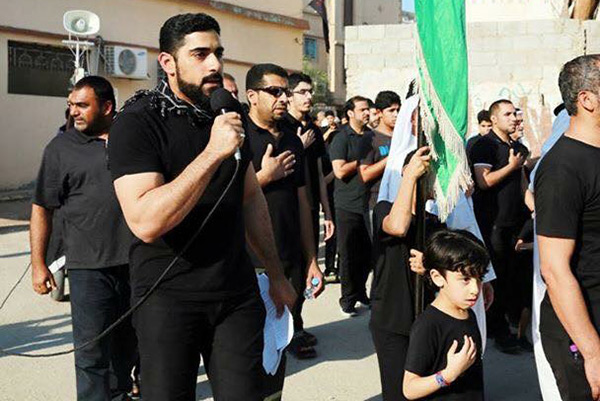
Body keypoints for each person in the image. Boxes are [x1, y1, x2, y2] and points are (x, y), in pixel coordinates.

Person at [107, 14, 296, 401]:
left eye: (218, 53)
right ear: (168, 62)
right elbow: (145, 221)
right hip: (166, 298)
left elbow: (250, 197)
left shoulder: (227, 115)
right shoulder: (138, 122)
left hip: (236, 293)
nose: (215, 64)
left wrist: (276, 275)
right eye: (200, 54)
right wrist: (212, 153)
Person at [30, 76, 138, 401]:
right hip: (88, 269)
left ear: (107, 107)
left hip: (136, 264)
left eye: (82, 105)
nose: (73, 112)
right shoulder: (60, 148)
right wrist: (38, 264)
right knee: (91, 354)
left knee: (126, 350)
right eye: (71, 105)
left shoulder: (131, 140)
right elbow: (42, 208)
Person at [245, 64, 324, 359]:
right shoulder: (238, 136)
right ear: (252, 96)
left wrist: (312, 259)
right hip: (250, 256)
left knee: (281, 336)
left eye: (285, 92)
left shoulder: (292, 139)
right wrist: (264, 177)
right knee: (251, 343)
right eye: (274, 92)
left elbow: (303, 201)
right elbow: (224, 197)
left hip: (289, 251)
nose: (283, 98)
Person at [536, 54, 600, 400]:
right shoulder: (562, 168)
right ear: (587, 99)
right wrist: (592, 352)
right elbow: (554, 269)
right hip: (584, 330)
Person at [370, 143, 431, 401]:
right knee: (397, 393)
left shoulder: (436, 222)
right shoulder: (384, 208)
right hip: (392, 319)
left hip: (426, 321)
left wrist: (431, 267)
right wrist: (410, 177)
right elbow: (398, 226)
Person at [469, 99, 529, 353]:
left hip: (515, 223)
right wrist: (511, 166)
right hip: (493, 223)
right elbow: (484, 181)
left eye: (515, 113)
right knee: (497, 278)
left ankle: (516, 327)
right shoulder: (484, 145)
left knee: (515, 277)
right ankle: (499, 331)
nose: (513, 118)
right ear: (494, 119)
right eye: (507, 114)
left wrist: (534, 208)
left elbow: (522, 184)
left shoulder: (516, 147)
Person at [403, 230, 489, 401]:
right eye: (465, 279)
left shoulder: (468, 313)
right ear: (437, 277)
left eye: (479, 278)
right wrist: (448, 375)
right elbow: (409, 389)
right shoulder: (428, 325)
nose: (475, 289)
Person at [330, 95, 373, 316]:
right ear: (350, 113)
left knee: (368, 253)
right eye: (362, 109)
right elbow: (339, 171)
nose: (367, 113)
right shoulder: (341, 138)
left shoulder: (372, 136)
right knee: (348, 254)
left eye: (368, 109)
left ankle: (361, 292)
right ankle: (347, 299)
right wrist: (362, 161)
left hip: (368, 203)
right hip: (347, 204)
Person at [359, 90, 401, 234]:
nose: (396, 114)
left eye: (398, 110)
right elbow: (364, 174)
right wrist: (391, 159)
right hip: (376, 202)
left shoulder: (402, 137)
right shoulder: (370, 138)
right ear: (379, 112)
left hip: (400, 201)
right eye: (391, 110)